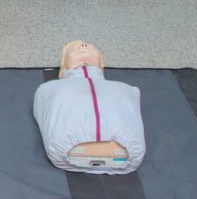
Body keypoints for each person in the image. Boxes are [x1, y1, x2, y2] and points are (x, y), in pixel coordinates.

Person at [33, 41, 146, 175]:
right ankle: (110, 153)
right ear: (63, 67)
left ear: (101, 64)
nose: (84, 46)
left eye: (91, 47)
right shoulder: (48, 89)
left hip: (67, 147)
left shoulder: (127, 90)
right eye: (75, 49)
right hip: (67, 143)